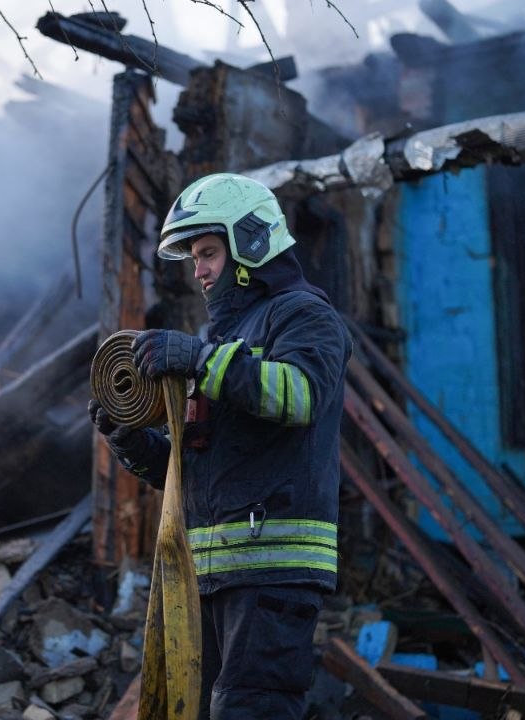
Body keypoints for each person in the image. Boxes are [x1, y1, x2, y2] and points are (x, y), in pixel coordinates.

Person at [89, 173, 351, 720]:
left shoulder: (303, 314)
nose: (199, 271)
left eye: (208, 253)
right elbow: (193, 467)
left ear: (250, 242)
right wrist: (128, 437)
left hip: (273, 572)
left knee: (247, 711)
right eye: (194, 258)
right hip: (207, 577)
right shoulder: (222, 343)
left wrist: (199, 360)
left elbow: (300, 395)